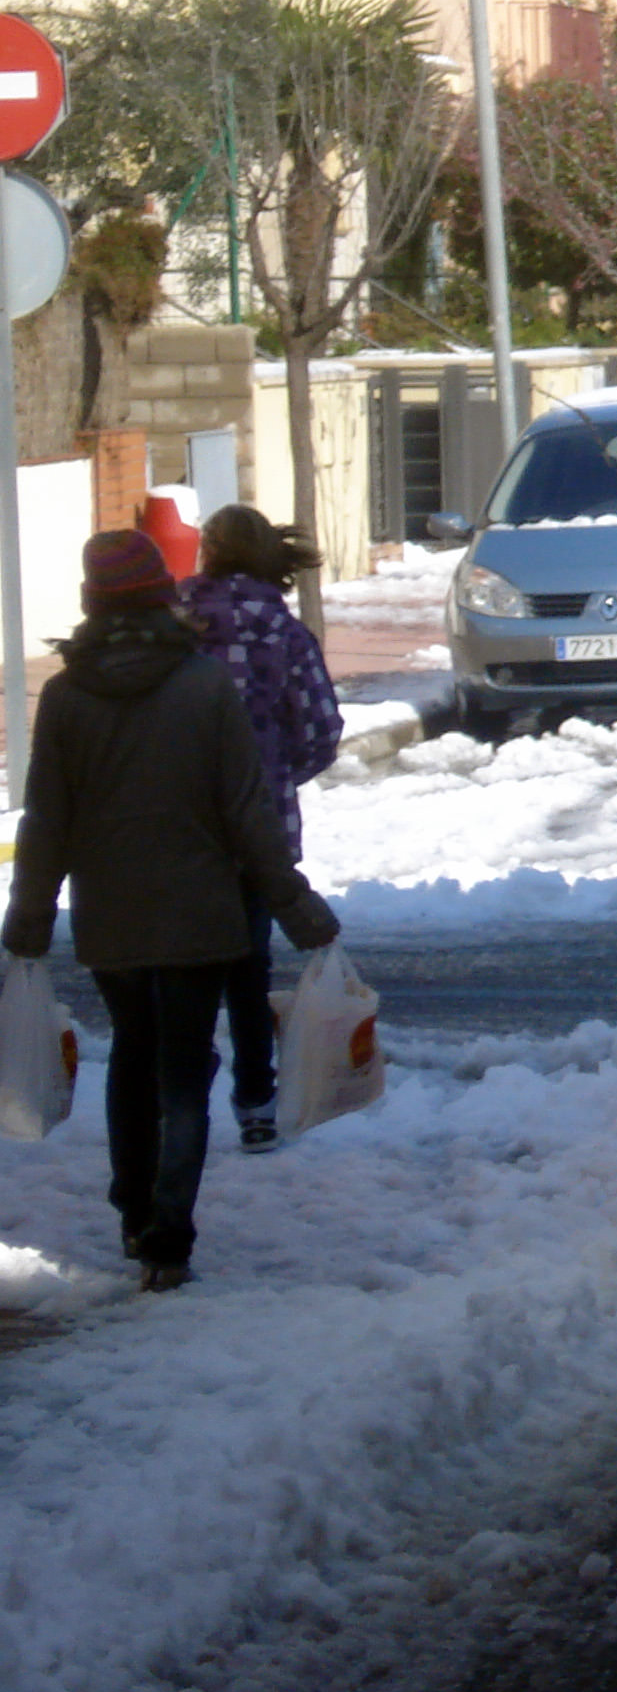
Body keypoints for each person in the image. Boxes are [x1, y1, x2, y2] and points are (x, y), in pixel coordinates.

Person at [4, 529, 339, 1293]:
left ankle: (132, 1211)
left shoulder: (65, 697)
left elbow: (46, 820)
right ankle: (168, 1236)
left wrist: (29, 919)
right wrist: (294, 905)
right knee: (185, 1071)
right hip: (200, 913)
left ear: (91, 603)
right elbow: (247, 812)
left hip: (110, 917)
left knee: (133, 1053)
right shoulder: (203, 686)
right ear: (162, 595)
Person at [185, 505, 346, 1155]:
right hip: (259, 830)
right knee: (249, 969)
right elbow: (322, 729)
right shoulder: (285, 633)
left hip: (180, 824)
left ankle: (181, 1098)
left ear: (209, 552)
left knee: (187, 966)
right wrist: (277, 774)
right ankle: (256, 1103)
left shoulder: (175, 624)